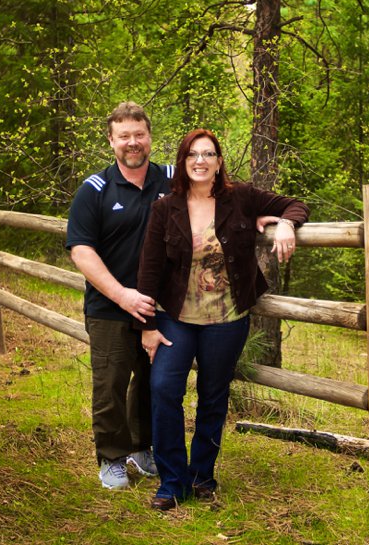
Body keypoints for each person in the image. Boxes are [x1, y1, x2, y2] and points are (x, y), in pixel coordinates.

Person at [136, 128, 309, 510]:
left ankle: (202, 477)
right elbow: (149, 271)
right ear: (183, 162)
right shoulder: (165, 208)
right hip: (175, 316)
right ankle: (172, 482)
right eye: (193, 155)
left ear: (218, 161)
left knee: (213, 395)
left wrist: (285, 223)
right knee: (164, 388)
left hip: (227, 318)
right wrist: (147, 326)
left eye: (208, 154)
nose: (201, 161)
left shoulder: (241, 197)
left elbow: (295, 204)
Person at [66, 102, 173, 490]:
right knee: (110, 382)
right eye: (124, 136)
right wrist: (122, 295)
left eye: (139, 134)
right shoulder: (95, 190)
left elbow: (223, 196)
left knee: (152, 379)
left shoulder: (172, 179)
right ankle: (111, 456)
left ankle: (142, 447)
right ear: (111, 140)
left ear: (150, 137)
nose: (133, 142)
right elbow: (81, 250)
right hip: (109, 307)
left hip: (162, 307)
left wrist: (273, 216)